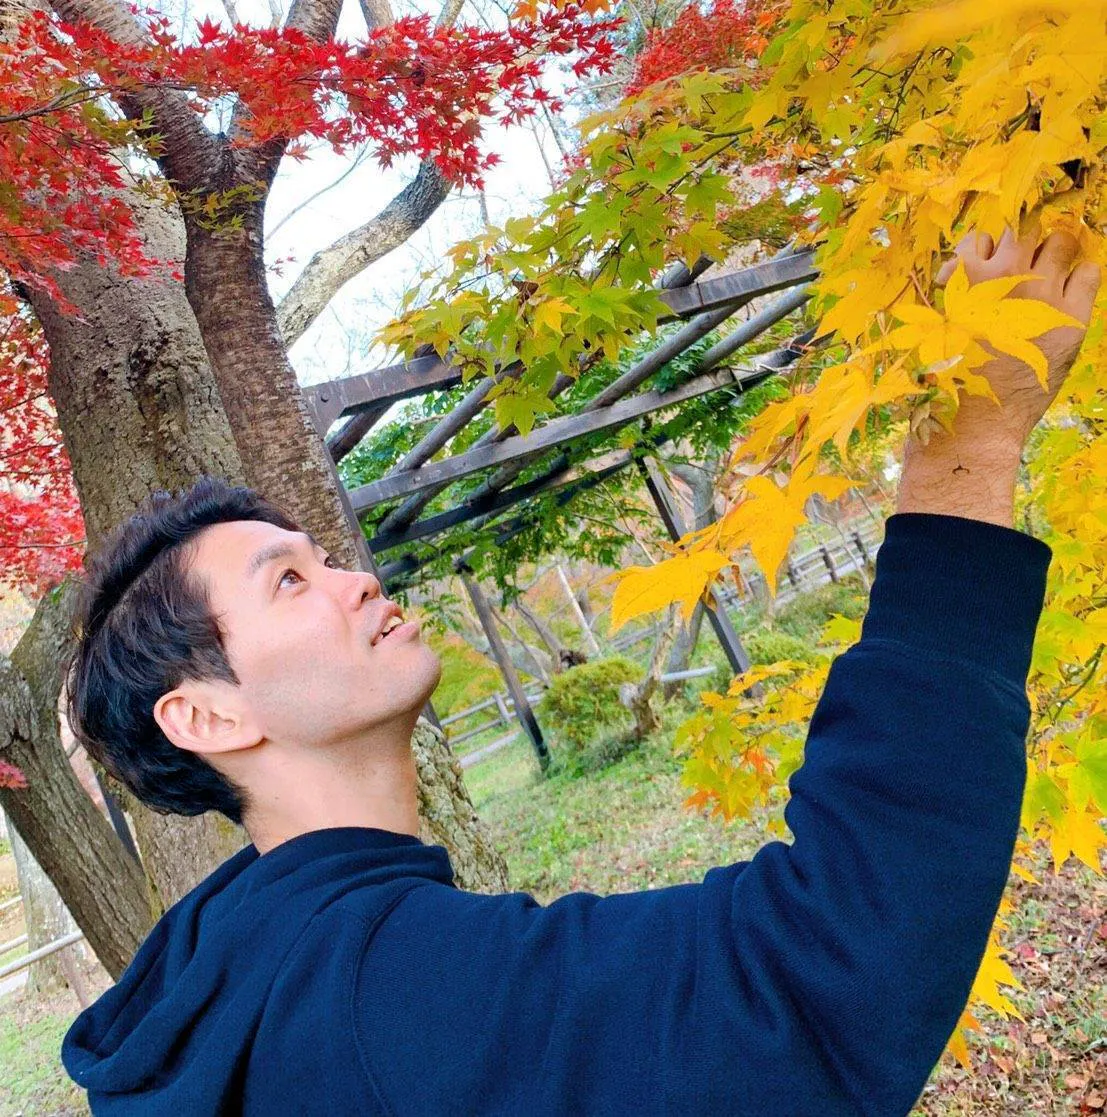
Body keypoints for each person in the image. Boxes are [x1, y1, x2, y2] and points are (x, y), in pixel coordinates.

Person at [61, 227, 1100, 1116]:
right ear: (205, 716)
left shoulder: (238, 983)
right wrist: (968, 446)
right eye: (289, 582)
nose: (355, 580)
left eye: (326, 556)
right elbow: (816, 984)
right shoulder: (380, 994)